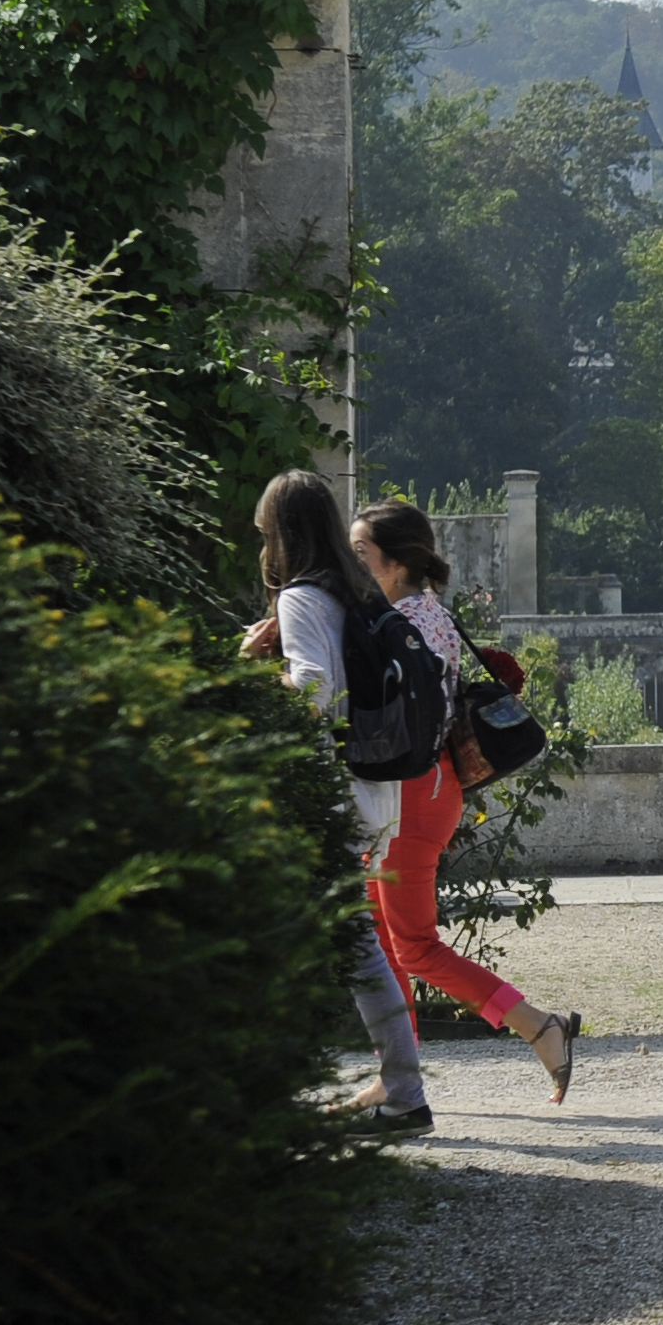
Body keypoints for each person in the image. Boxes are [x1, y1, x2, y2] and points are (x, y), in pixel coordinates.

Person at [350, 500, 584, 1098]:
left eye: (360, 555)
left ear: (397, 563)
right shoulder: (421, 614)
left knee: (414, 947)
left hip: (414, 794)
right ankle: (395, 1071)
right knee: (380, 939)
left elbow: (400, 718)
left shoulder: (407, 625)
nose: (351, 565)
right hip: (416, 792)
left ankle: (538, 1025)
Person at [241, 468, 435, 1137]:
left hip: (324, 794)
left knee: (343, 943)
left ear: (282, 534)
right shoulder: (354, 591)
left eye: (265, 531)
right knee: (347, 941)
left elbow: (315, 692)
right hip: (373, 787)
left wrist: (256, 673)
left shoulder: (300, 596)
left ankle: (403, 1093)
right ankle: (399, 1088)